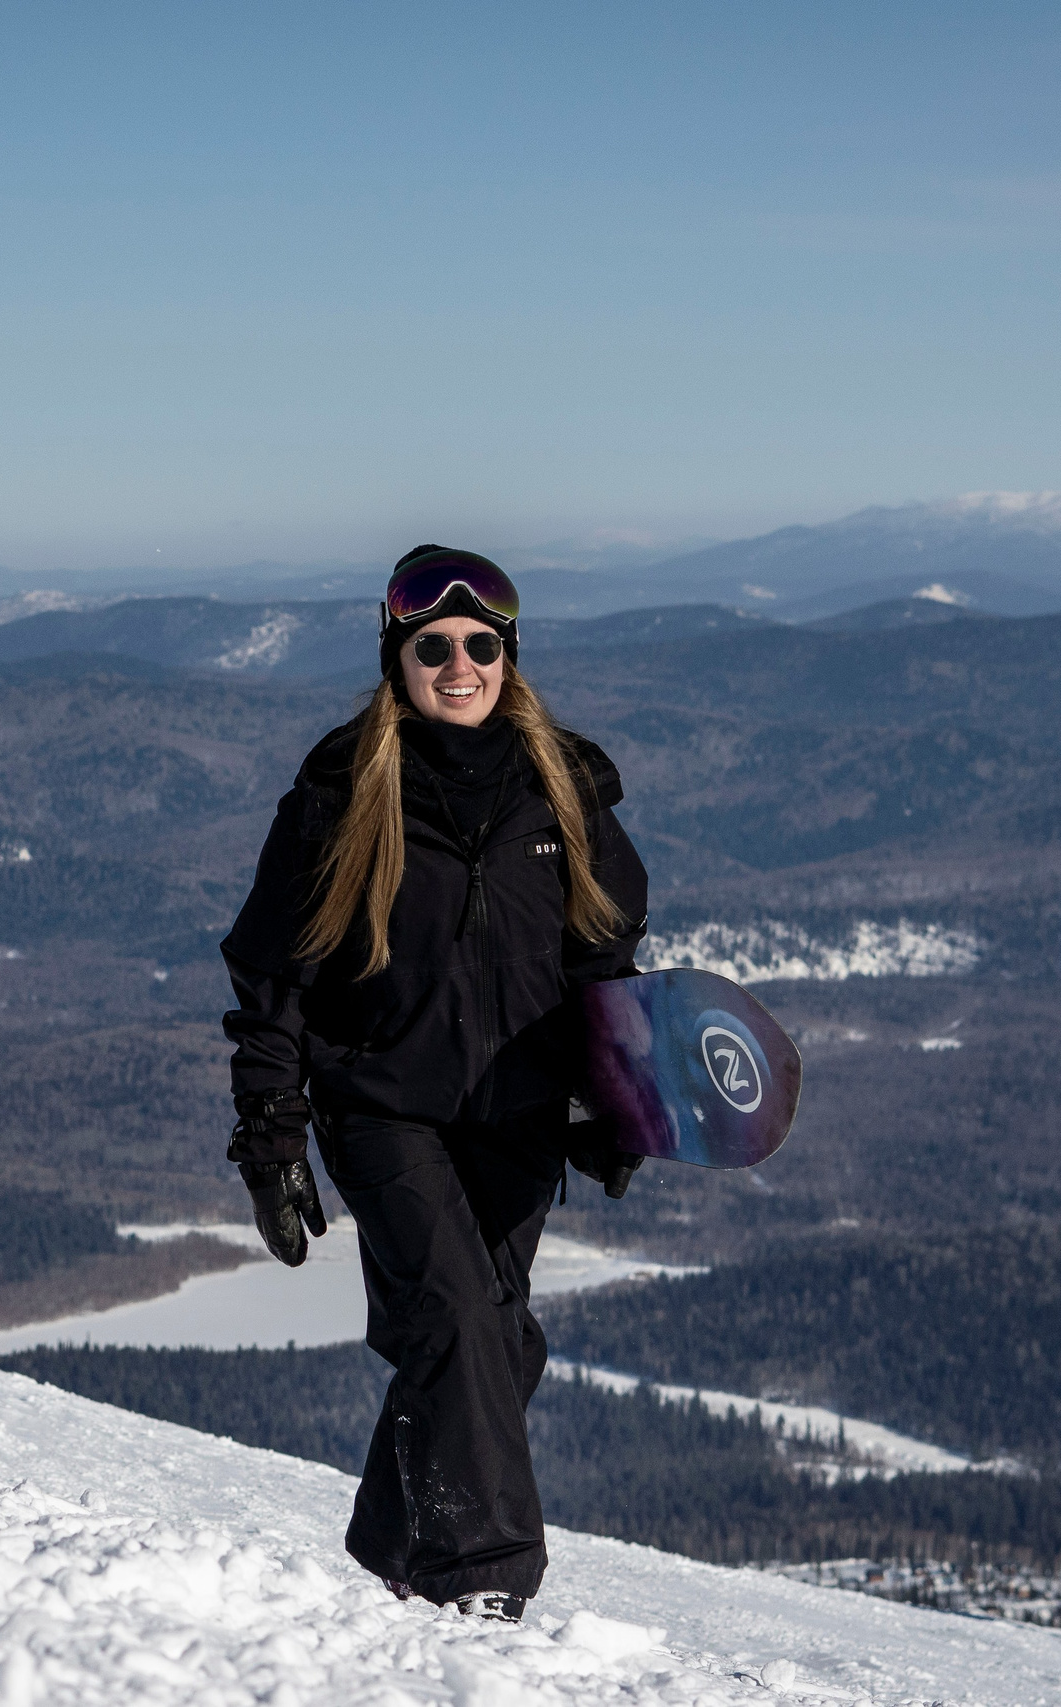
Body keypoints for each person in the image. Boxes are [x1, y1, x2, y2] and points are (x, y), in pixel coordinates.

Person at [217, 544, 649, 1624]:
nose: (460, 666)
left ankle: (393, 1536)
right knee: (455, 1320)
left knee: (494, 1340)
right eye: (434, 647)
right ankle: (482, 1585)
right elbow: (273, 975)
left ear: (509, 655)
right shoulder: (339, 794)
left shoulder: (563, 788)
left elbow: (603, 955)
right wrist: (271, 1131)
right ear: (396, 659)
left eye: (480, 646)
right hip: (382, 1107)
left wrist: (622, 1095)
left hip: (518, 1115)